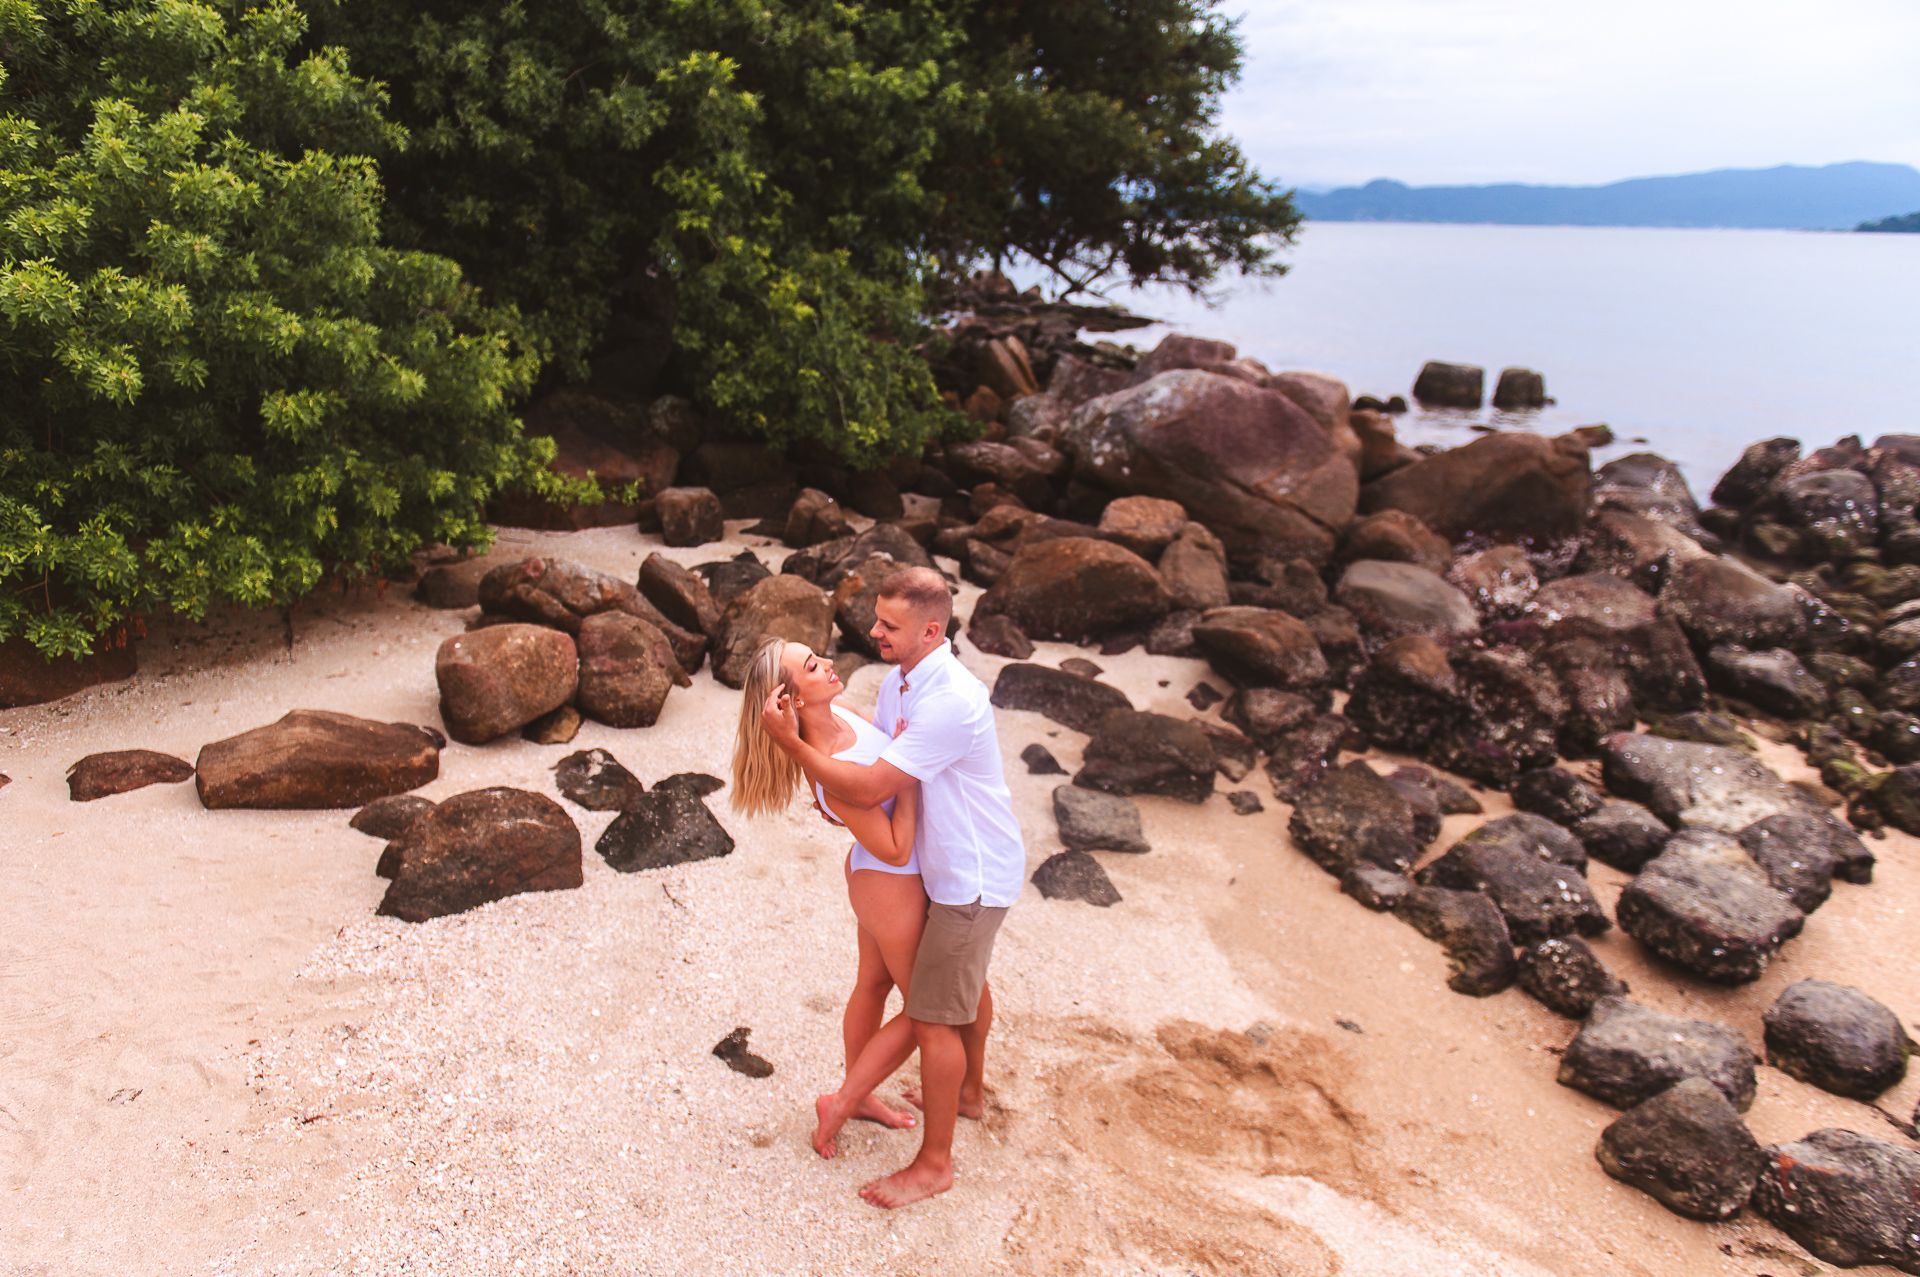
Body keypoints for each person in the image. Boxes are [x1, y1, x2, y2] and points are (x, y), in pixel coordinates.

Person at [761, 565, 1026, 1209]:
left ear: (931, 630)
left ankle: (928, 1149)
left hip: (969, 875)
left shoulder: (949, 701)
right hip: (914, 871)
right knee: (938, 1003)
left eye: (889, 625)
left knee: (937, 1011)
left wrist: (795, 749)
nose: (872, 632)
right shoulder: (900, 685)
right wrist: (809, 761)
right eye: (876, 618)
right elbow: (865, 791)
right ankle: (950, 1103)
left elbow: (875, 785)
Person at [730, 637, 926, 1143]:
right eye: (813, 666)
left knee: (873, 986)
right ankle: (842, 1101)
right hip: (890, 884)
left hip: (877, 878)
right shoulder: (827, 754)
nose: (830, 664)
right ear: (791, 701)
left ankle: (856, 1097)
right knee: (925, 1008)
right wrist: (910, 773)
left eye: (818, 655)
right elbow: (894, 848)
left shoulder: (844, 714)